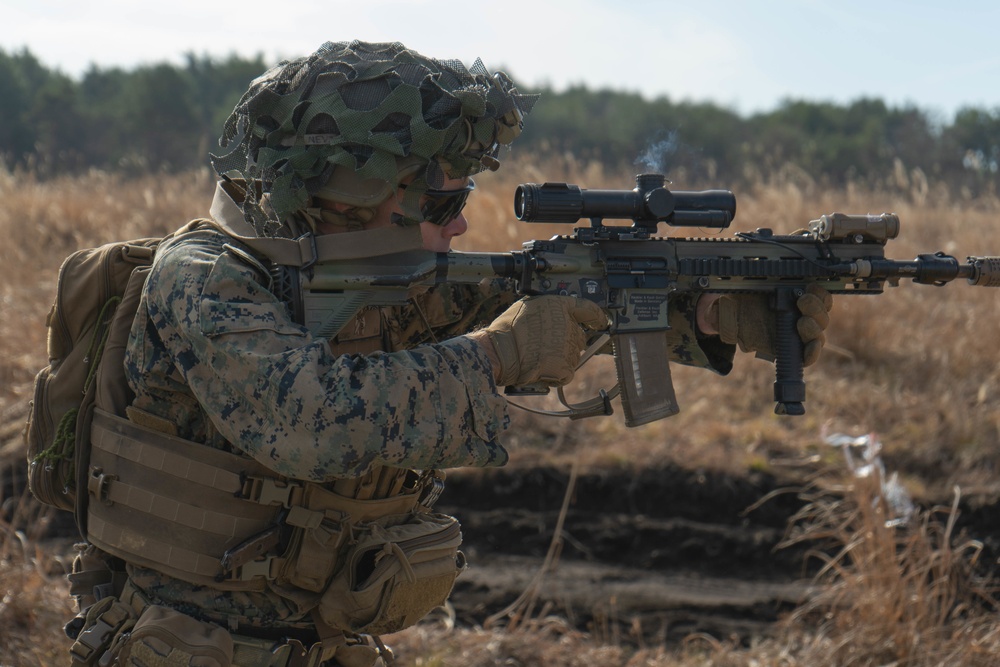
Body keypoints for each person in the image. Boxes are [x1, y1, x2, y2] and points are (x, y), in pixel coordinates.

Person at [65, 41, 832, 666]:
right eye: (440, 204)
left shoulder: (376, 275)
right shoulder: (203, 277)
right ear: (342, 189)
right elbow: (309, 421)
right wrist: (499, 358)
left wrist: (701, 314)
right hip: (182, 650)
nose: (461, 228)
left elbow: (540, 305)